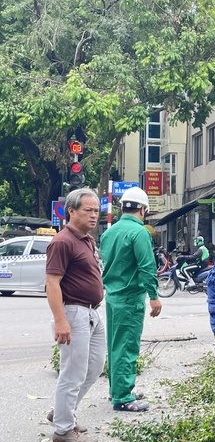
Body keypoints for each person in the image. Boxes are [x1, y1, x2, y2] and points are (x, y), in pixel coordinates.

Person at [45, 188, 105, 442]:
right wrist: (61, 321)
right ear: (71, 211)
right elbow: (52, 282)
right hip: (73, 312)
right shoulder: (62, 241)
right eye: (87, 210)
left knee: (94, 368)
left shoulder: (87, 239)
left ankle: (62, 412)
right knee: (73, 373)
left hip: (93, 313)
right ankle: (62, 430)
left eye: (96, 211)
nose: (93, 216)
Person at [100, 187, 162, 412]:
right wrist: (154, 296)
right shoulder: (139, 233)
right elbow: (147, 266)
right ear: (143, 210)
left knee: (115, 345)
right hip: (129, 298)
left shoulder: (109, 232)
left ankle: (116, 389)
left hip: (112, 296)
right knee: (127, 346)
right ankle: (123, 397)